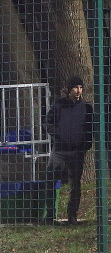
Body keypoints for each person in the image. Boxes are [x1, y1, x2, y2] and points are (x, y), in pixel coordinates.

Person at [44, 76, 93, 225]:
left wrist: (85, 145)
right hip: (59, 150)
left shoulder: (86, 108)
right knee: (51, 180)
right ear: (69, 89)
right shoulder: (59, 105)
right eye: (75, 87)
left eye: (80, 87)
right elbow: (48, 123)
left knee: (75, 184)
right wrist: (58, 135)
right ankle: (50, 215)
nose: (78, 91)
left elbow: (90, 129)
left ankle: (72, 215)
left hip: (76, 151)